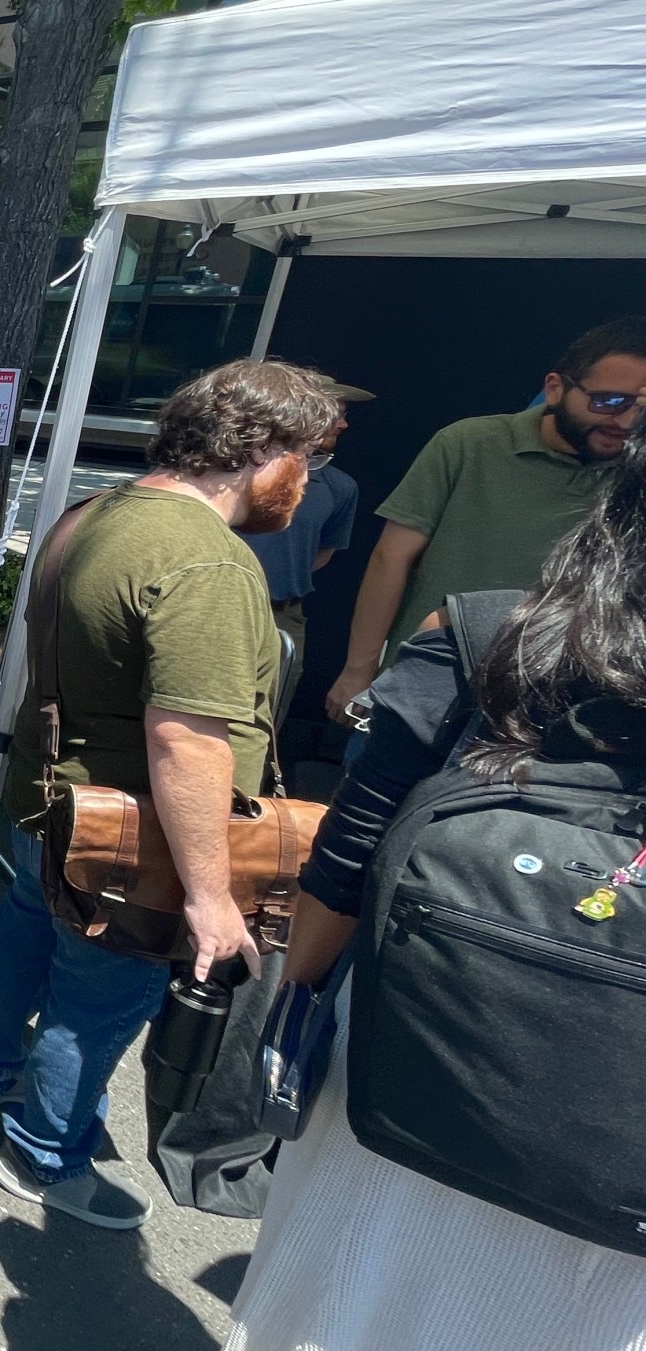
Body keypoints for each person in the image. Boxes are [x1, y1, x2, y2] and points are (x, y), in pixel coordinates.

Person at [226, 426, 646, 1350]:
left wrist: (292, 1017)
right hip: (619, 1195)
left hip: (397, 1068)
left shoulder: (485, 637)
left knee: (335, 1311)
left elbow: (347, 859)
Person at [0, 358, 337, 1231]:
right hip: (133, 843)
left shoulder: (94, 513)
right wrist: (207, 894)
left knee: (24, 929)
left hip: (56, 801)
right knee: (101, 995)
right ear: (255, 449)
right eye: (302, 458)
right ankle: (42, 1152)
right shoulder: (207, 561)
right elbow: (186, 739)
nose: (306, 482)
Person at [326, 317, 646, 724]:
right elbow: (391, 558)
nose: (624, 423)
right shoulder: (468, 443)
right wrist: (359, 670)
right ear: (555, 389)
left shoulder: (635, 474)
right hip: (426, 682)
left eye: (639, 408)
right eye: (608, 402)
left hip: (549, 705)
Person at [243, 374, 367, 729]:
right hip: (214, 605)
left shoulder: (339, 487)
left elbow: (324, 552)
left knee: (264, 723)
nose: (344, 423)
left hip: (283, 615)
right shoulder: (237, 472)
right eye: (336, 413)